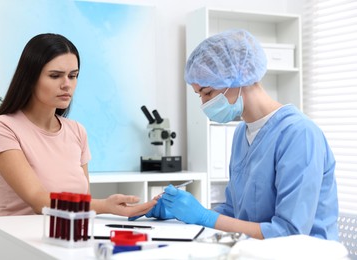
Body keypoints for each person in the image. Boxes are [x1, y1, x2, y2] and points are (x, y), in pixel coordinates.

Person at [130, 29, 339, 240]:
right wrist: (181, 212)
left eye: (208, 92)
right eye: (200, 95)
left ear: (239, 76)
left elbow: (289, 234)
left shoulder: (299, 134)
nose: (204, 104)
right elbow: (234, 212)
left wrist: (204, 217)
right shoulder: (242, 132)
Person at [0, 33, 156, 216]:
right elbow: (39, 201)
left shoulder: (77, 131)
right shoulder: (1, 127)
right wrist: (105, 206)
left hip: (66, 239)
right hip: (17, 239)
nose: (67, 84)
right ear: (30, 78)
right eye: (55, 76)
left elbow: (83, 204)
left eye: (73, 76)